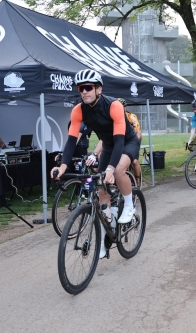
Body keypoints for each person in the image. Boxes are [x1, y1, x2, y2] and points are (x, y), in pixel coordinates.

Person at [51, 69, 140, 259]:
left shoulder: (113, 105)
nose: (84, 91)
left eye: (88, 87)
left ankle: (130, 205)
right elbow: (71, 141)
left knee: (117, 172)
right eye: (80, 88)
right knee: (101, 192)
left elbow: (119, 141)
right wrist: (63, 167)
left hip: (126, 142)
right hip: (108, 145)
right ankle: (106, 235)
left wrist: (109, 168)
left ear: (98, 89)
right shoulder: (78, 110)